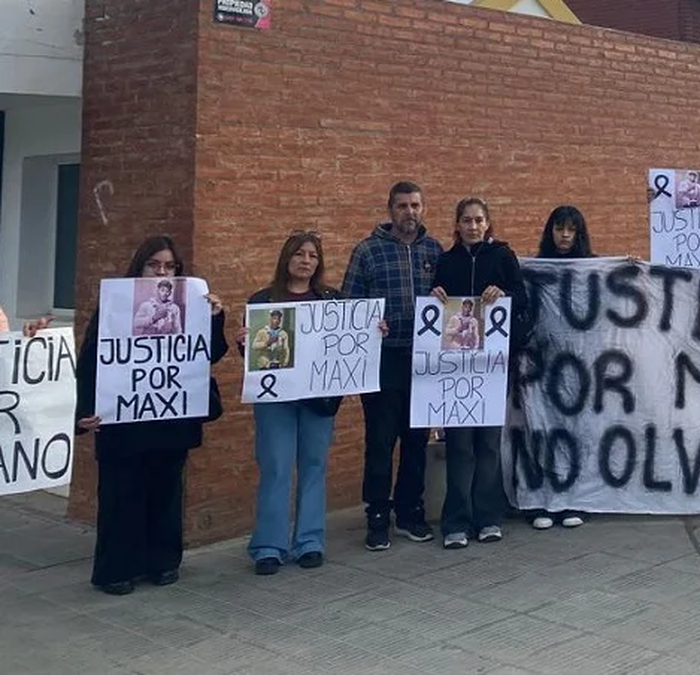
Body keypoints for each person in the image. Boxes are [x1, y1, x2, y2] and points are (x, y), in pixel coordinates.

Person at [74, 235, 228, 595]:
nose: (162, 273)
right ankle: (117, 569)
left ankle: (162, 562)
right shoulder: (117, 305)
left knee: (165, 492)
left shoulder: (190, 305)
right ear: (140, 267)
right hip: (123, 419)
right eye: (154, 265)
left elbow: (210, 353)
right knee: (120, 495)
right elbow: (91, 359)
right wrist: (87, 410)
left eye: (169, 267)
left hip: (168, 417)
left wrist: (214, 318)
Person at [238, 231, 388, 575]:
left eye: (313, 256)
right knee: (276, 467)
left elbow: (349, 341)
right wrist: (244, 343)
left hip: (318, 400)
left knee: (314, 466)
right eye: (299, 254)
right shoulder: (262, 300)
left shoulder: (332, 299)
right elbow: (253, 357)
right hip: (276, 400)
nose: (306, 261)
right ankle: (269, 546)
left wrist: (373, 331)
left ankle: (309, 542)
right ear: (286, 258)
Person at [342, 181, 444, 551]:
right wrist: (369, 324)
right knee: (380, 441)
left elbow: (449, 300)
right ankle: (377, 515)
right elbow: (349, 306)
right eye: (402, 206)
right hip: (382, 359)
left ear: (423, 208)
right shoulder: (367, 251)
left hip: (422, 358)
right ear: (390, 210)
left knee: (416, 439)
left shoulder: (435, 250)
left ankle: (409, 511)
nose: (409, 212)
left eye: (415, 205)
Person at [431, 197, 529, 549]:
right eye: (466, 220)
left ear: (488, 224)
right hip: (456, 368)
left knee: (488, 444)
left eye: (478, 220)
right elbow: (434, 308)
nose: (472, 226)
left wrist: (504, 293)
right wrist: (434, 295)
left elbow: (522, 298)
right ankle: (456, 521)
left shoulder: (502, 256)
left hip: (492, 366)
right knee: (459, 445)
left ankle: (488, 517)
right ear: (457, 225)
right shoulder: (446, 261)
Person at [528, 205, 595, 531]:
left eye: (571, 229)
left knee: (575, 431)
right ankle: (544, 499)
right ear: (550, 231)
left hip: (580, 365)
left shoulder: (593, 269)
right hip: (542, 364)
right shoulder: (536, 268)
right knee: (543, 429)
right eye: (559, 229)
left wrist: (628, 269)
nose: (565, 235)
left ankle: (573, 499)